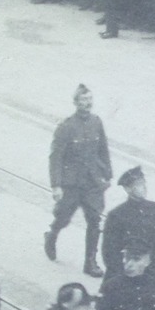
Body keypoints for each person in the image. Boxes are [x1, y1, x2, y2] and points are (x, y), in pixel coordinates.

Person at [45, 84, 112, 278]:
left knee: (94, 221)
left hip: (92, 182)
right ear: (75, 103)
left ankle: (90, 262)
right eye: (83, 100)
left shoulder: (96, 122)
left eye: (89, 99)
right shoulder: (66, 127)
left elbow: (103, 149)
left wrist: (107, 173)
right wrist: (56, 185)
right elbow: (55, 157)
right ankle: (52, 235)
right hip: (72, 184)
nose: (87, 103)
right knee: (63, 218)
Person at [102, 166, 155, 289]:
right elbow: (110, 253)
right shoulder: (116, 215)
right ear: (127, 189)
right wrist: (123, 276)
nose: (143, 187)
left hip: (153, 272)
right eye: (138, 184)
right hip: (127, 272)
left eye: (143, 183)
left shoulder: (154, 208)